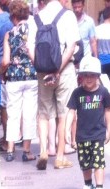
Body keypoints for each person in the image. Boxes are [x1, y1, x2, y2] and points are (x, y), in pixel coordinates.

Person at [28, 0, 81, 170]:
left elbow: (29, 48)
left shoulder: (34, 18)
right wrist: (57, 70)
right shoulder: (68, 15)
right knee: (63, 113)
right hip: (64, 71)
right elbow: (71, 46)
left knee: (43, 113)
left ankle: (43, 150)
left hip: (42, 71)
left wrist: (41, 67)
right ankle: (59, 156)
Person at [67, 56, 110, 189]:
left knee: (99, 162)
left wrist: (109, 129)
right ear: (81, 76)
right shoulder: (77, 93)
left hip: (98, 133)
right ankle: (88, 185)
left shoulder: (103, 92)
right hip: (82, 135)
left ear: (98, 76)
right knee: (85, 163)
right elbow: (71, 112)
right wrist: (67, 130)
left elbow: (108, 110)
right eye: (85, 75)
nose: (88, 78)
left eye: (92, 75)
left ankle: (99, 188)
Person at [2, 0, 39, 162]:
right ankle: (27, 151)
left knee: (13, 114)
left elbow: (5, 61)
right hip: (31, 76)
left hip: (13, 78)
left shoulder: (9, 34)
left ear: (13, 16)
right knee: (30, 113)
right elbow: (34, 52)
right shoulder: (33, 30)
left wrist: (3, 72)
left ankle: (10, 150)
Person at [0, 0, 14, 151]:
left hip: (1, 67)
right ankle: (12, 137)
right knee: (12, 104)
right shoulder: (11, 18)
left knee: (3, 105)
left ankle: (8, 139)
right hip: (14, 66)